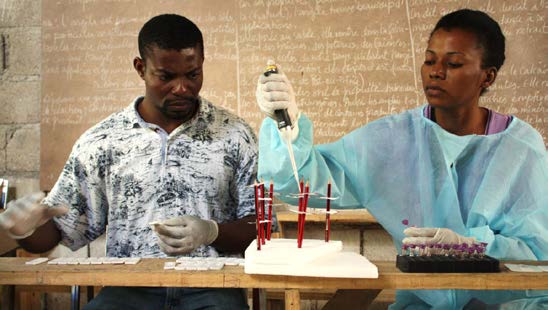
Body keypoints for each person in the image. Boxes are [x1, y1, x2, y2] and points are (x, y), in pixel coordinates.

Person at [256, 9, 547, 309]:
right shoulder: (393, 139)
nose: (436, 72)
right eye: (429, 60)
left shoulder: (521, 148)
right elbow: (302, 183)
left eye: (454, 63)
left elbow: (539, 254)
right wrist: (287, 131)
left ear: (488, 76)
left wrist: (472, 246)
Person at [0, 14, 257, 309]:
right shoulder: (103, 141)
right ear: (140, 68)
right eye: (166, 76)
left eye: (192, 74)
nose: (182, 87)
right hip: (130, 288)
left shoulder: (235, 134)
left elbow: (259, 225)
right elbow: (57, 234)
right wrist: (25, 230)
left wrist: (212, 231)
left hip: (212, 288)